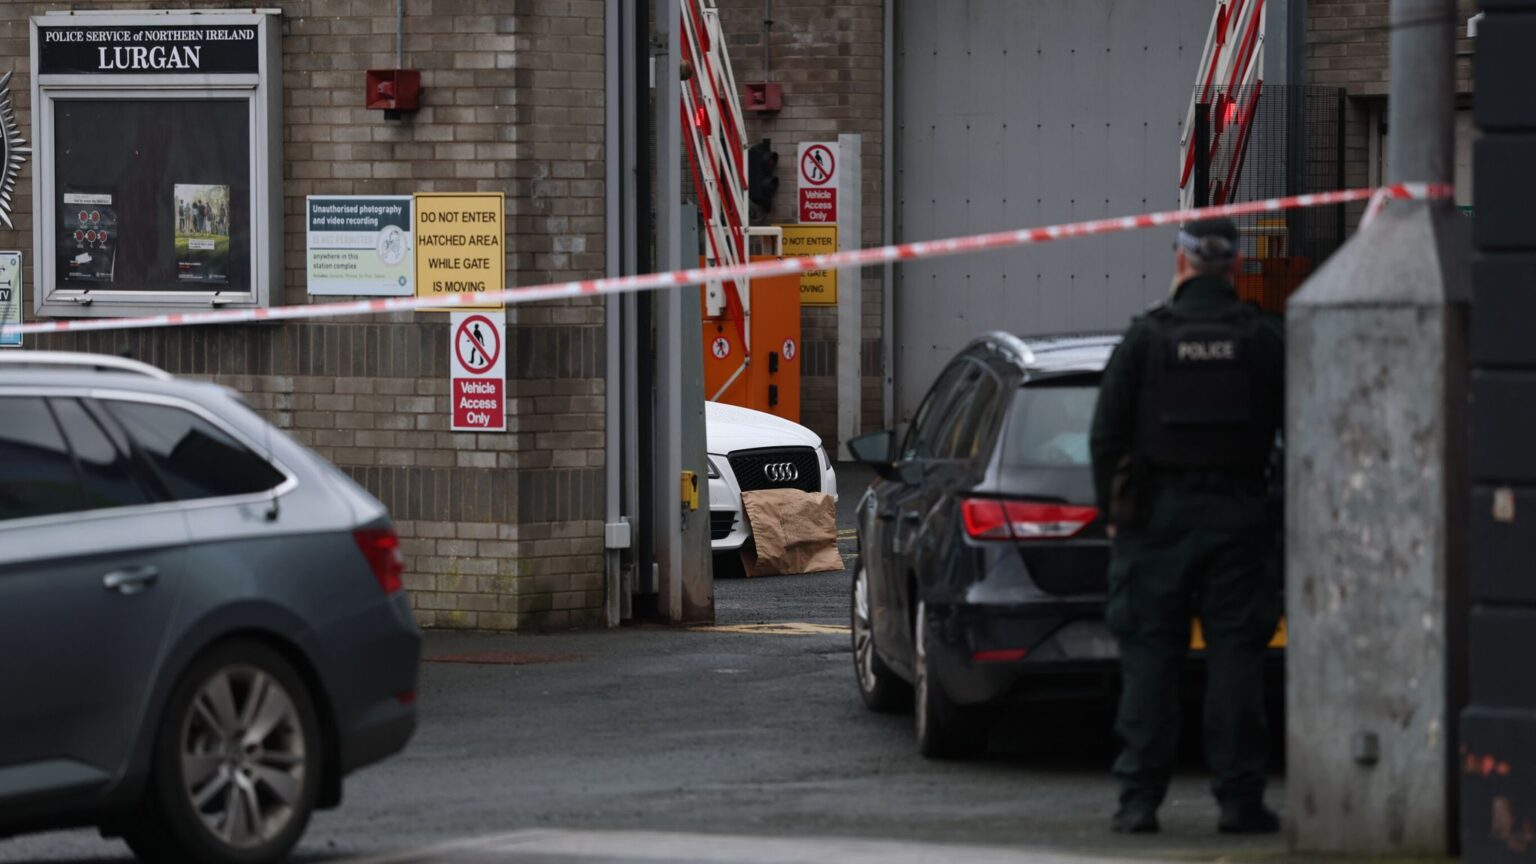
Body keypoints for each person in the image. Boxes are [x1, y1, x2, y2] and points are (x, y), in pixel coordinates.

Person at [1089, 217, 1285, 835]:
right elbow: (1305, 431)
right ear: (1233, 266)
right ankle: (1239, 802)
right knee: (1236, 662)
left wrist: (1114, 516)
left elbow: (1105, 439)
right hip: (1239, 520)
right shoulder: (1263, 339)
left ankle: (1139, 801)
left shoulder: (1147, 340)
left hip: (1155, 523)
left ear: (1182, 262)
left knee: (1149, 660)